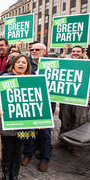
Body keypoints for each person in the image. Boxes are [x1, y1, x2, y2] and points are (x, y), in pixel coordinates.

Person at [0, 55, 35, 180]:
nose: (21, 64)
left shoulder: (32, 79)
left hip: (24, 123)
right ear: (13, 65)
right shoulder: (6, 78)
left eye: (24, 62)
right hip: (8, 120)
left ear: (27, 66)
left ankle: (15, 175)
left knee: (19, 150)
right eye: (18, 62)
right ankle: (5, 174)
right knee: (8, 149)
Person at [53, 45, 90, 157]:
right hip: (66, 98)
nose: (75, 53)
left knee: (79, 121)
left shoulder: (88, 65)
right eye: (73, 51)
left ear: (82, 53)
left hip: (80, 99)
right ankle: (63, 141)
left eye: (78, 51)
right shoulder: (67, 63)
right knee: (65, 119)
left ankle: (76, 146)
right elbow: (58, 63)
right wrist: (64, 52)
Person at [22, 42, 53, 170]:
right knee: (30, 130)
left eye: (37, 49)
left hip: (46, 102)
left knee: (45, 132)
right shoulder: (27, 65)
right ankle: (28, 154)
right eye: (32, 49)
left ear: (44, 51)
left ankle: (44, 158)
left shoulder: (51, 64)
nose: (33, 51)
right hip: (31, 101)